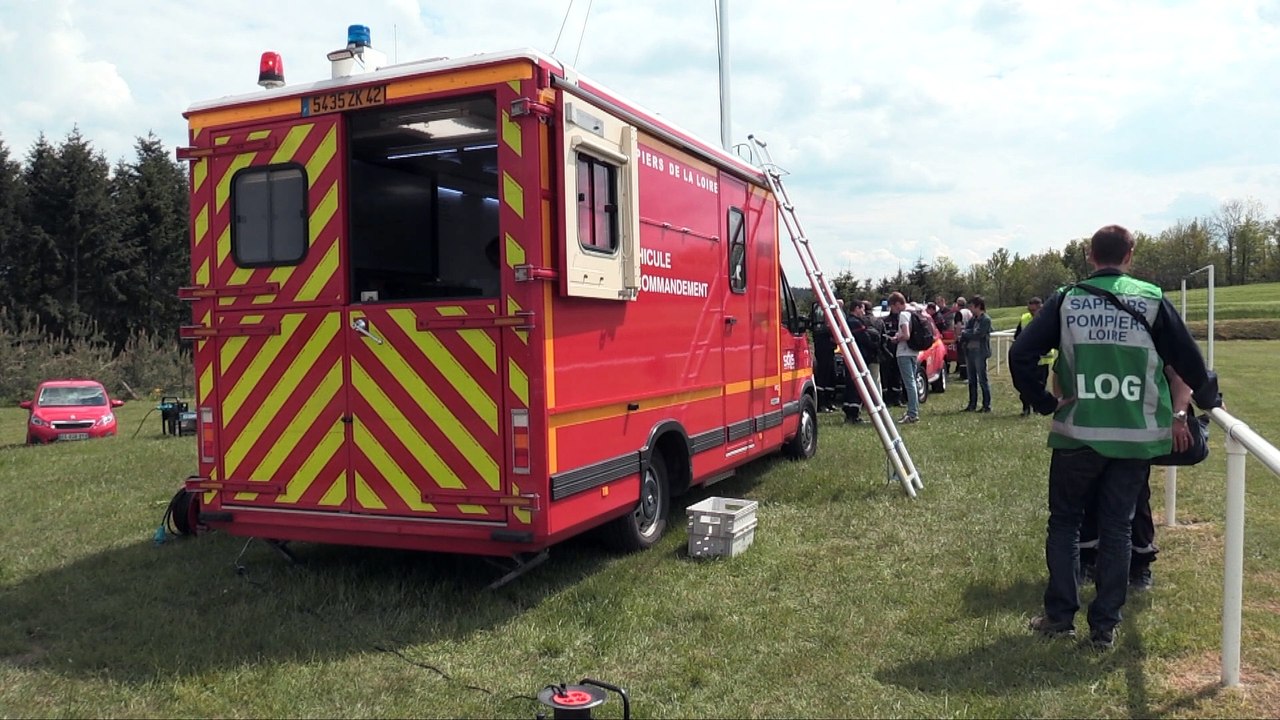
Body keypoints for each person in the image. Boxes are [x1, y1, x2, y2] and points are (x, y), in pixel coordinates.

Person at [1010, 224, 1221, 649]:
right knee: (1118, 528)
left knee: (1065, 524)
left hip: (1078, 434)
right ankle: (1104, 628)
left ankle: (1059, 617)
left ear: (1090, 255)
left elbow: (1020, 354)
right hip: (1133, 437)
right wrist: (1209, 395)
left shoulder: (1066, 299)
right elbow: (1187, 357)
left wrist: (1044, 402)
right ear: (1130, 254)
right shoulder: (1151, 298)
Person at [1079, 369, 1194, 590]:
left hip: (1135, 426)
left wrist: (1200, 403)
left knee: (1135, 497)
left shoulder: (1156, 333)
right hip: (1094, 421)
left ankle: (1139, 564)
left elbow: (1184, 367)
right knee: (1090, 492)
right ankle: (1087, 559)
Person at [1014, 297, 1057, 416]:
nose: (1032, 313)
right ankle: (1026, 408)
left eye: (1034, 311)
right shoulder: (1024, 319)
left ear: (1040, 308)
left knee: (1041, 384)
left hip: (1044, 359)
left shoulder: (1048, 320)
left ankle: (1038, 408)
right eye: (1030, 310)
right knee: (1026, 384)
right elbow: (1017, 335)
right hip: (1028, 359)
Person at [842, 300, 882, 424]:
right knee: (856, 387)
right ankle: (854, 415)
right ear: (857, 308)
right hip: (858, 357)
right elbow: (864, 339)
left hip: (852, 357)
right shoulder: (854, 322)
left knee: (851, 385)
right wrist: (875, 343)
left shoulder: (848, 321)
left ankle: (850, 413)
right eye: (862, 309)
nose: (864, 312)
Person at [888, 292, 920, 424]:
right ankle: (913, 410)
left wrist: (896, 338)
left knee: (909, 383)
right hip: (914, 351)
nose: (892, 310)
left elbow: (906, 335)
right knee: (912, 382)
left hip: (904, 352)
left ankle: (912, 413)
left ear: (897, 304)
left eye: (892, 306)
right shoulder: (914, 311)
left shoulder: (903, 314)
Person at [959, 295, 992, 413]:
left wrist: (966, 333)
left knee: (982, 379)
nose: (971, 309)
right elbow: (966, 332)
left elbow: (978, 334)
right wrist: (967, 332)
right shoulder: (972, 320)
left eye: (972, 306)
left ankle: (986, 405)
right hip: (970, 352)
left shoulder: (986, 320)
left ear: (978, 306)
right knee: (972, 380)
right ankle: (972, 404)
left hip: (980, 353)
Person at [810, 302, 836, 412]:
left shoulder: (820, 310)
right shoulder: (819, 311)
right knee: (823, 375)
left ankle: (829, 402)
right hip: (823, 348)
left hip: (830, 348)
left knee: (831, 375)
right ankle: (821, 404)